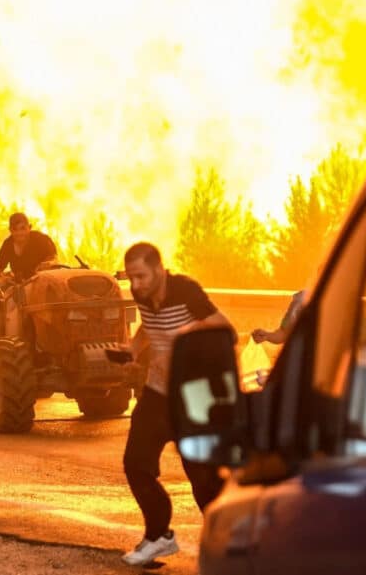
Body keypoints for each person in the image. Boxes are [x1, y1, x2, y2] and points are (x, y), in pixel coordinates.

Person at [109, 242, 235, 567]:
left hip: (193, 397)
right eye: (131, 278)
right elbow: (148, 326)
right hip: (157, 393)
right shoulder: (142, 295)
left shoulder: (186, 291)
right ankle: (159, 535)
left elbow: (225, 329)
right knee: (136, 464)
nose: (136, 285)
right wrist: (133, 349)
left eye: (141, 276)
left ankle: (230, 544)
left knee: (204, 480)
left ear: (159, 269)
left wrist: (184, 345)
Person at [0, 212, 58, 284]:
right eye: (15, 229)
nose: (19, 233)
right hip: (20, 284)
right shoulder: (8, 245)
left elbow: (54, 259)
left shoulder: (41, 239)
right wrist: (5, 278)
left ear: (29, 227)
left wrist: (47, 264)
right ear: (10, 230)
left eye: (23, 228)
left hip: (43, 281)